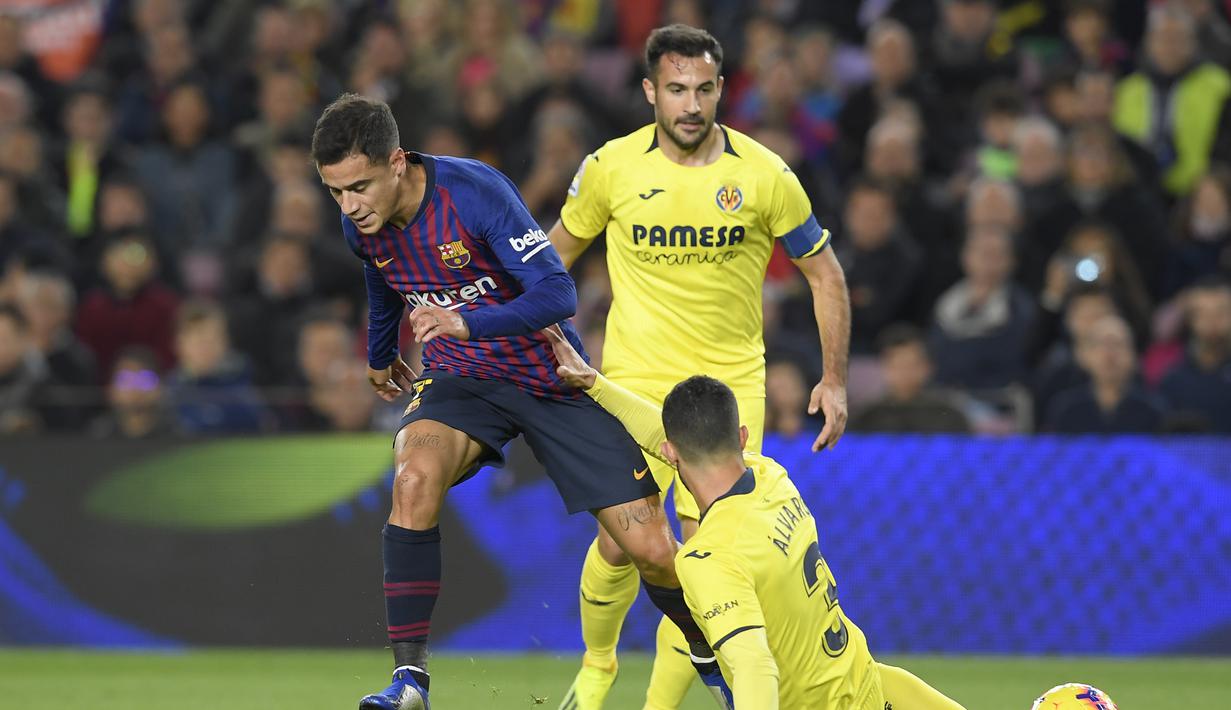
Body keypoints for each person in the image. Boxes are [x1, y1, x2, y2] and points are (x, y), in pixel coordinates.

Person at [310, 93, 732, 710]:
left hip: (548, 377)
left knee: (652, 551)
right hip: (461, 381)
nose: (349, 206)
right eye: (336, 193)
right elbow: (381, 276)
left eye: (359, 187)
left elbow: (558, 293)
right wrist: (379, 352)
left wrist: (465, 324)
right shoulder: (361, 225)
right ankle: (411, 683)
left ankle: (711, 658)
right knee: (412, 478)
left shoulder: (472, 193)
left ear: (397, 161)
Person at [546, 24, 851, 710]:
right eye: (676, 89)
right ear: (651, 91)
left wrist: (832, 379)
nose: (690, 104)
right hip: (630, 385)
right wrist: (510, 331)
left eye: (704, 89)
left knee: (708, 565)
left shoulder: (764, 174)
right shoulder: (610, 168)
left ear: (721, 90)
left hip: (725, 400)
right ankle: (597, 669)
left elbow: (824, 274)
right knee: (623, 545)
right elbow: (550, 256)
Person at [545, 325, 965, 710]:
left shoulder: (709, 558)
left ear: (671, 455)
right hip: (875, 685)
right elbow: (665, 434)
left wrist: (596, 384)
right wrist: (595, 384)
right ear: (742, 436)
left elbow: (753, 668)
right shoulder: (771, 476)